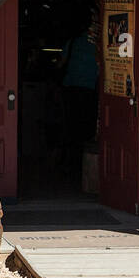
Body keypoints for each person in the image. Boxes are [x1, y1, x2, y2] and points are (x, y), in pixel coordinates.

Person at [58, 19, 99, 184]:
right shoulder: (98, 45)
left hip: (71, 88)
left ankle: (70, 163)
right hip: (89, 89)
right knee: (87, 127)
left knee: (70, 125)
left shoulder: (73, 42)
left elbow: (60, 63)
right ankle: (81, 164)